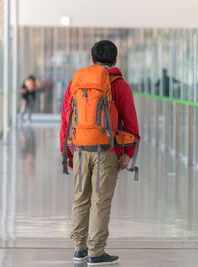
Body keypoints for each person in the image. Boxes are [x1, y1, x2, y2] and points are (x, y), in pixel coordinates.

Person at [60, 40, 140, 265]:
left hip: (79, 149)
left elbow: (66, 119)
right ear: (115, 60)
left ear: (92, 60)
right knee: (100, 201)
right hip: (107, 151)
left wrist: (66, 151)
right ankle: (96, 253)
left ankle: (79, 250)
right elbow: (130, 121)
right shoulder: (119, 85)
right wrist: (128, 152)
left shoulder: (77, 82)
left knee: (80, 199)